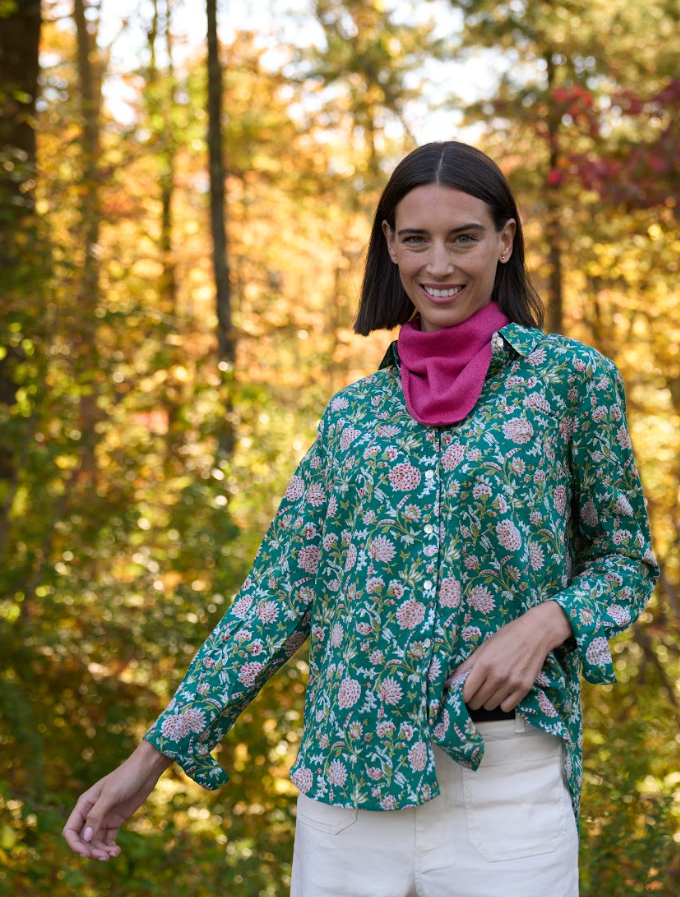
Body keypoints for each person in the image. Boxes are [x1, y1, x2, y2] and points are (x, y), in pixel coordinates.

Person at [63, 141, 659, 896]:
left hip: (504, 788)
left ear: (505, 241)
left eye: (464, 237)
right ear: (390, 246)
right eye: (416, 239)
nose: (438, 264)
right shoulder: (355, 413)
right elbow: (275, 597)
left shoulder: (571, 382)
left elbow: (625, 561)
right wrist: (150, 757)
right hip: (346, 793)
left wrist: (548, 621)